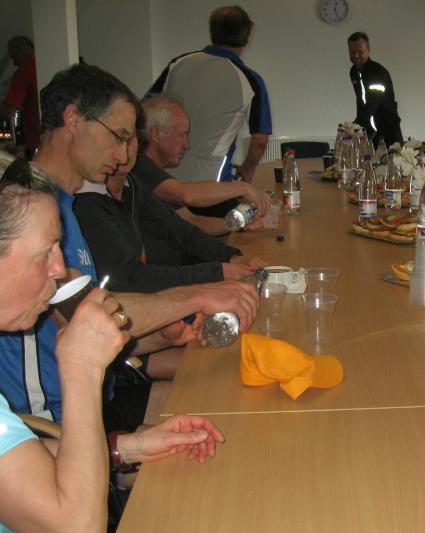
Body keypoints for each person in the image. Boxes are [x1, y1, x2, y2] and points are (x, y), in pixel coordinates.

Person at [0, 163, 224, 533]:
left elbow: (17, 467)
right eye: (45, 252)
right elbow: (80, 532)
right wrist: (83, 369)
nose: (60, 269)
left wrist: (125, 447)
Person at [0, 63, 258, 424]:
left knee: (236, 399)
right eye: (117, 137)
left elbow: (93, 319)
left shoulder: (65, 204)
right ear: (73, 118)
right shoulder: (29, 208)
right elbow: (88, 316)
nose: (123, 156)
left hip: (102, 393)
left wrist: (162, 334)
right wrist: (201, 295)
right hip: (57, 420)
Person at [74, 134, 262, 293]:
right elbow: (129, 279)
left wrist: (232, 257)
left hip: (163, 287)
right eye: (117, 138)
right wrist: (218, 272)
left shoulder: (131, 184)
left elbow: (181, 230)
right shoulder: (87, 202)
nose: (123, 152)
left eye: (130, 140)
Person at [149, 4, 272, 210]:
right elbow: (260, 140)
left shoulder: (178, 64)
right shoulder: (249, 79)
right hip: (210, 189)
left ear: (213, 32)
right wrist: (247, 171)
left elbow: (145, 111)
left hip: (164, 183)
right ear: (246, 37)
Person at [136, 95, 268, 236]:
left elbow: (191, 221)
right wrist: (244, 188)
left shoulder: (156, 175)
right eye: (181, 135)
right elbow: (187, 195)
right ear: (156, 134)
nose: (187, 145)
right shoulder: (139, 166)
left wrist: (239, 224)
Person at [347, 31, 403, 147]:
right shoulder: (353, 72)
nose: (356, 55)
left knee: (393, 158)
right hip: (370, 131)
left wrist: (354, 126)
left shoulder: (377, 72)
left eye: (360, 51)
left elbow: (373, 102)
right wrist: (358, 127)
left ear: (368, 50)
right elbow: (361, 100)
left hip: (388, 130)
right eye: (352, 52)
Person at [1, 36, 39, 157]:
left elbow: (8, 111)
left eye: (13, 57)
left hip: (34, 138)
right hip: (48, 135)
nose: (13, 62)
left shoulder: (23, 72)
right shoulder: (42, 65)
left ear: (19, 50)